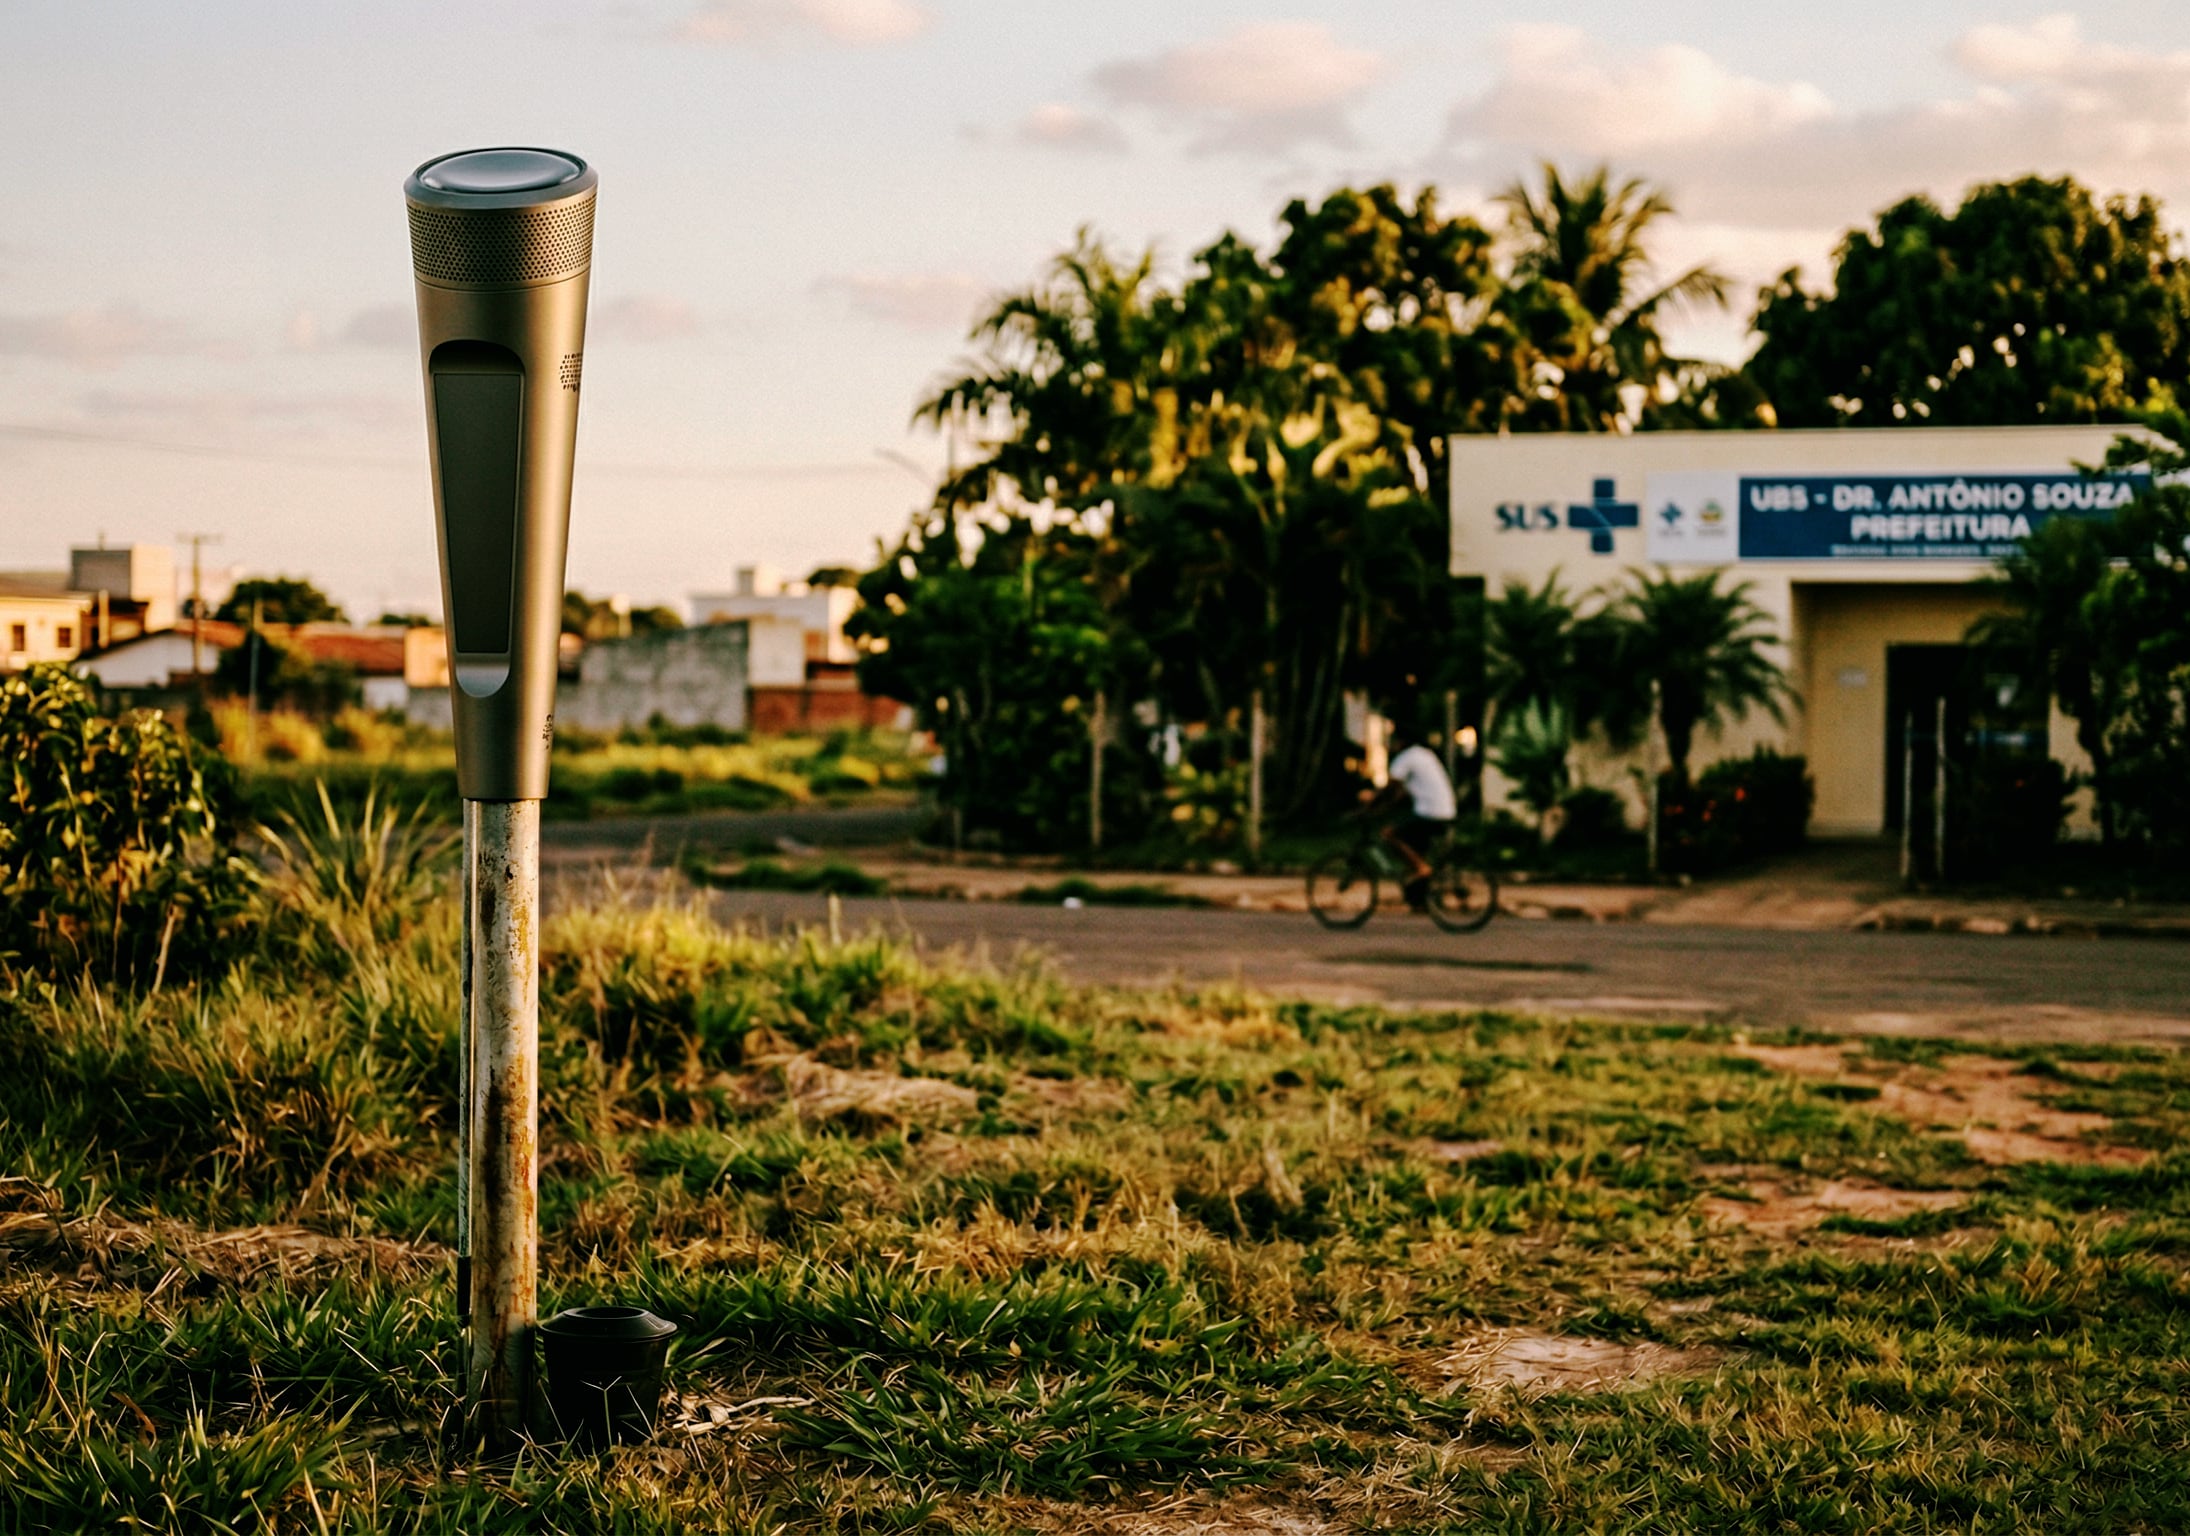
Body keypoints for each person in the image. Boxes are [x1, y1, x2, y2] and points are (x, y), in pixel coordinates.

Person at [1368, 721, 1457, 908]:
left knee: (1389, 834)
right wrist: (1385, 806)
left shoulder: (1406, 758)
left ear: (1401, 740)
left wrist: (1371, 802)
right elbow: (1400, 793)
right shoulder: (1425, 754)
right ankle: (1419, 899)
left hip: (1429, 813)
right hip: (1445, 811)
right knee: (1414, 850)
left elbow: (1391, 787)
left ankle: (1422, 870)